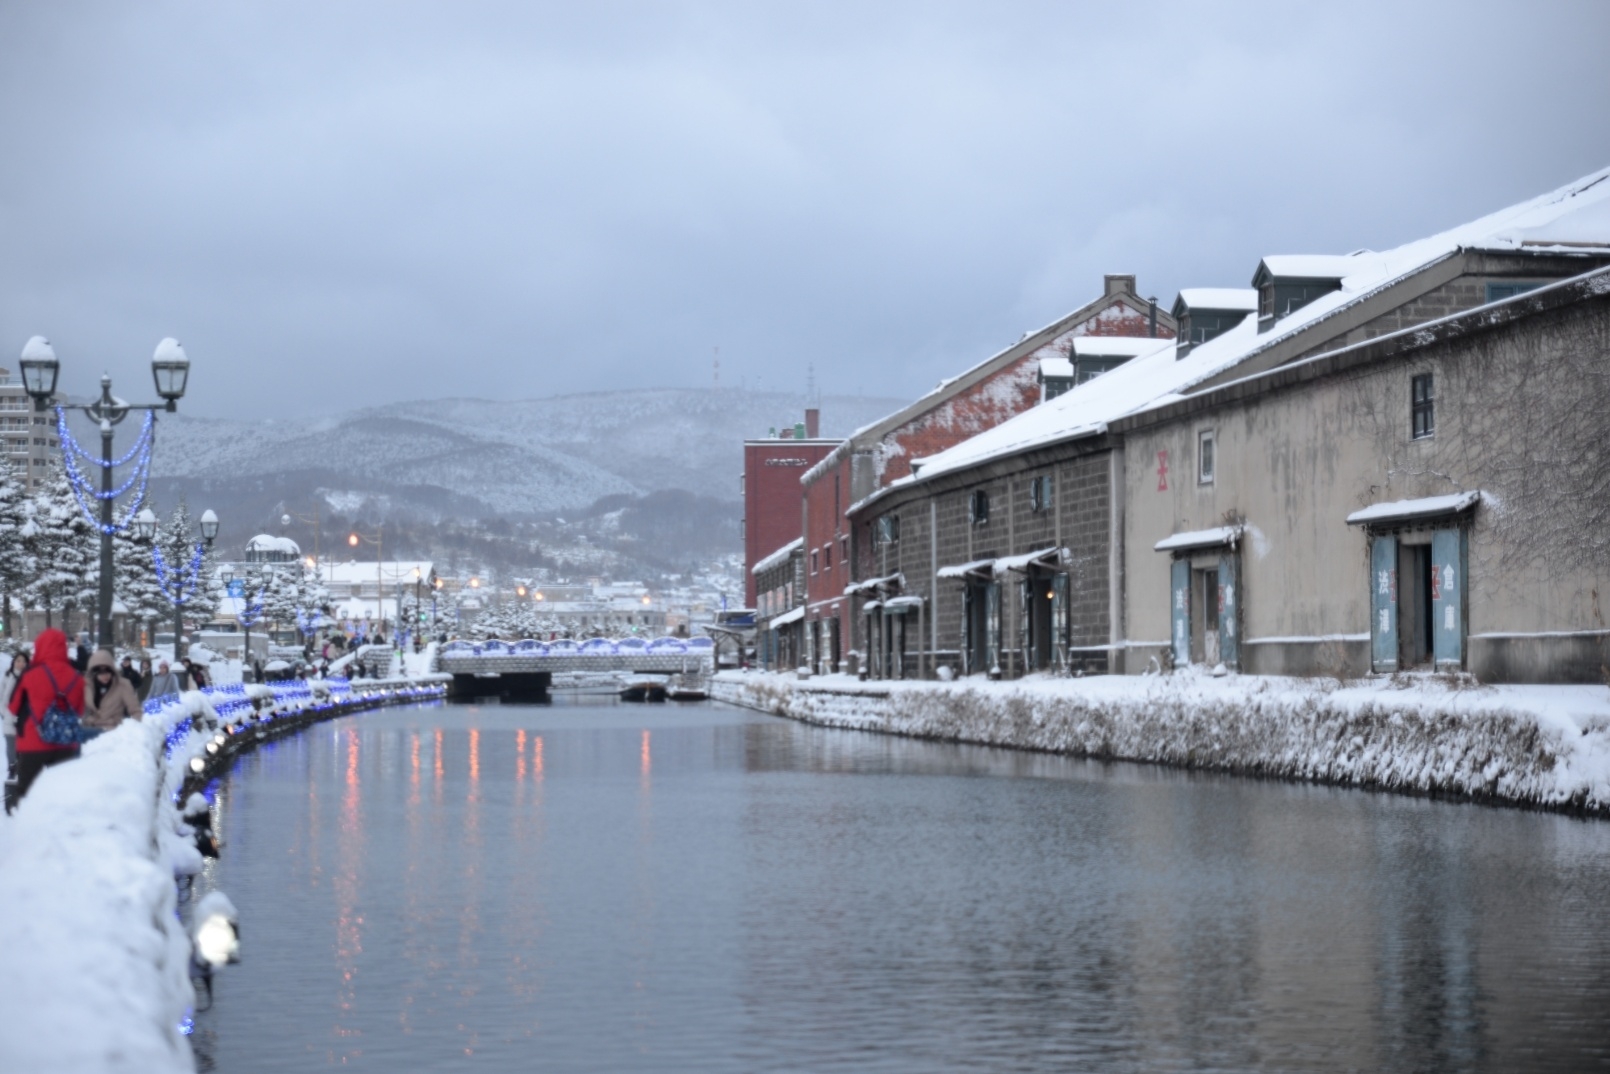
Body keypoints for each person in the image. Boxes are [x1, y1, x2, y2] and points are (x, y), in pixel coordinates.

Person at [8, 628, 84, 804]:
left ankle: (27, 828)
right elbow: (79, 711)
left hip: (32, 743)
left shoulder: (30, 674)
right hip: (65, 744)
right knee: (63, 795)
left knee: (26, 793)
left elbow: (13, 707)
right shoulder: (76, 677)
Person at [83, 649, 142, 733]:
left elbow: (136, 711)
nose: (105, 676)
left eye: (108, 671)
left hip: (113, 732)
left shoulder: (122, 685)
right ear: (94, 673)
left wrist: (131, 732)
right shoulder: (87, 687)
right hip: (90, 731)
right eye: (101, 673)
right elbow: (81, 712)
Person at [3, 650, 28, 813]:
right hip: (9, 719)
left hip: (24, 720)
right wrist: (5, 713)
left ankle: (22, 775)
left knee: (23, 749)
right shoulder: (7, 677)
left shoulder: (30, 678)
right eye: (18, 661)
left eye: (23, 661)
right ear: (13, 663)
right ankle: (13, 769)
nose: (20, 664)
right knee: (11, 747)